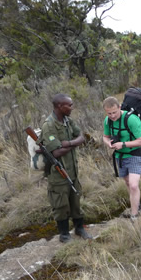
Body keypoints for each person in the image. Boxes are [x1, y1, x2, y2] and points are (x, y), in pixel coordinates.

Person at [39, 93, 92, 243]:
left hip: (73, 171)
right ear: (59, 107)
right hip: (58, 173)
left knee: (75, 201)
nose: (72, 107)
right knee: (61, 204)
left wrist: (66, 143)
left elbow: (81, 137)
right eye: (69, 105)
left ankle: (79, 228)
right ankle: (64, 234)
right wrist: (73, 143)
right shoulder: (49, 126)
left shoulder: (68, 121)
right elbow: (56, 152)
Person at [102, 96, 141, 218]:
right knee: (127, 183)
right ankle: (138, 206)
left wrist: (124, 144)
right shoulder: (107, 120)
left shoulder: (131, 119)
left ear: (120, 107)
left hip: (134, 154)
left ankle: (134, 215)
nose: (112, 116)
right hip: (120, 156)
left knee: (133, 184)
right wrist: (108, 143)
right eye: (109, 113)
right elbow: (105, 136)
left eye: (114, 112)